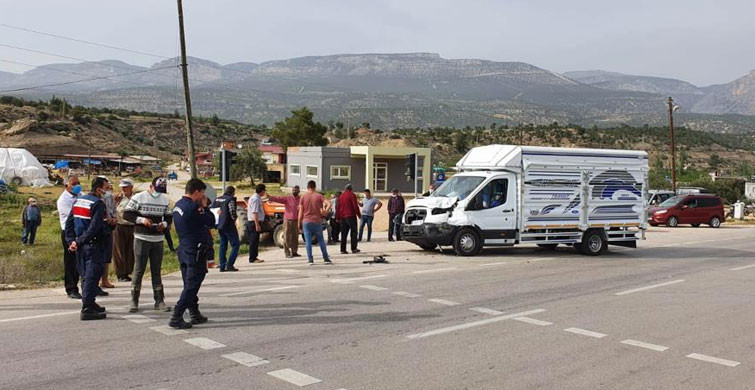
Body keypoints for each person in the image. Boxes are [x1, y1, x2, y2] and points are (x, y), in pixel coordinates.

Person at [169, 178, 215, 329]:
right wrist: (205, 207)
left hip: (184, 249)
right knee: (192, 285)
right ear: (196, 192)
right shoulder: (193, 208)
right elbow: (211, 221)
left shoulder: (178, 205)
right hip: (195, 251)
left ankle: (194, 312)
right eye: (202, 193)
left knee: (189, 284)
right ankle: (177, 316)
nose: (203, 196)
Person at [124, 177, 172, 313]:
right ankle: (134, 300)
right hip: (141, 238)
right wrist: (141, 220)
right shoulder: (139, 197)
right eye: (157, 190)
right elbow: (127, 214)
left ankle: (159, 300)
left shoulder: (164, 199)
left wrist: (165, 224)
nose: (159, 193)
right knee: (139, 269)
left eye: (161, 190)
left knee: (156, 270)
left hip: (157, 239)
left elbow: (169, 216)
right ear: (151, 187)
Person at [64, 177, 110, 321]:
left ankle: (90, 301)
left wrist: (71, 241)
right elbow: (94, 227)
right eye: (106, 188)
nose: (107, 191)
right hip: (92, 245)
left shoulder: (79, 201)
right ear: (98, 189)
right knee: (92, 275)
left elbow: (69, 223)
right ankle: (87, 308)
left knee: (85, 275)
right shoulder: (98, 204)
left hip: (80, 246)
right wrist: (79, 240)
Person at [57, 174, 82, 299]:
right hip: (69, 233)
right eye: (74, 184)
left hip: (80, 232)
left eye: (78, 183)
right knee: (71, 261)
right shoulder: (64, 200)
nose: (77, 186)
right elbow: (75, 217)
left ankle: (86, 285)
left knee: (80, 260)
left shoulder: (80, 196)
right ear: (66, 185)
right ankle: (71, 288)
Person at [298, 180, 331, 265]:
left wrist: (299, 223)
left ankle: (310, 259)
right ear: (315, 187)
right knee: (321, 240)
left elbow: (301, 211)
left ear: (307, 187)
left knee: (308, 241)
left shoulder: (303, 197)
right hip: (317, 221)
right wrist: (325, 211)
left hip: (306, 221)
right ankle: (326, 258)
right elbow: (329, 203)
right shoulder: (319, 196)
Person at [212, 186, 240, 271]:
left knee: (223, 245)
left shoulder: (217, 199)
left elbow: (212, 210)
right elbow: (232, 212)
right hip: (228, 225)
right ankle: (230, 264)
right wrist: (235, 219)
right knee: (235, 245)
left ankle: (222, 266)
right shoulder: (230, 199)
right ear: (233, 192)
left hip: (219, 225)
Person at [268, 185, 301, 258]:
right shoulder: (288, 198)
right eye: (293, 190)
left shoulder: (300, 199)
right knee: (286, 236)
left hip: (296, 220)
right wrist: (270, 197)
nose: (294, 191)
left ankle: (294, 252)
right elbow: (278, 199)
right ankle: (287, 252)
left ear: (299, 191)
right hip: (287, 220)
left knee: (295, 236)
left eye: (296, 190)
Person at [113, 178, 135, 282]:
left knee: (130, 250)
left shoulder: (135, 198)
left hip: (132, 226)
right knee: (119, 250)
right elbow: (112, 210)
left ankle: (128, 271)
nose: (124, 189)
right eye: (122, 187)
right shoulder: (118, 198)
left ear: (131, 187)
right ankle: (120, 273)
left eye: (126, 187)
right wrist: (115, 202)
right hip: (120, 225)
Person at [100, 178, 116, 289]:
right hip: (100, 226)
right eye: (106, 187)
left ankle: (105, 279)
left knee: (107, 254)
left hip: (109, 227)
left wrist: (114, 218)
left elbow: (113, 209)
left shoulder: (110, 196)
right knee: (98, 255)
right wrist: (106, 219)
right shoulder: (96, 198)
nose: (108, 189)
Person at [335, 184, 361, 254]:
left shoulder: (341, 196)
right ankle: (354, 248)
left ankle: (343, 249)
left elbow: (338, 207)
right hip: (351, 216)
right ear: (351, 189)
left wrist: (337, 217)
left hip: (343, 217)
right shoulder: (352, 195)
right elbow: (355, 206)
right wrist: (359, 215)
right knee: (354, 232)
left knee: (344, 233)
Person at [246, 184, 266, 263]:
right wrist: (257, 224)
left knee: (255, 240)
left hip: (254, 221)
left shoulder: (256, 198)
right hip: (253, 222)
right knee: (253, 241)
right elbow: (255, 212)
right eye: (264, 190)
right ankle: (252, 258)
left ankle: (254, 256)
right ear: (262, 191)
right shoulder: (255, 199)